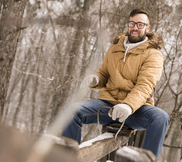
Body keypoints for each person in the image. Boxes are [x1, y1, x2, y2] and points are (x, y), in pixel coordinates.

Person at [62, 9, 169, 159]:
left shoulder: (153, 54)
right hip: (108, 105)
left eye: (140, 24)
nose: (135, 27)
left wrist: (128, 106)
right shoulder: (115, 48)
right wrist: (96, 80)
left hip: (136, 110)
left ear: (147, 28)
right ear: (128, 24)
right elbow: (104, 72)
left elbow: (145, 86)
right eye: (132, 23)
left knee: (161, 118)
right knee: (71, 111)